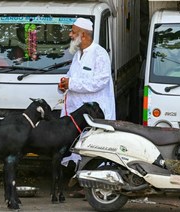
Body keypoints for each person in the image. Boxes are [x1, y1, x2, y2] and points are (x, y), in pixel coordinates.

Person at [58, 17, 116, 198]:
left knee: (94, 148)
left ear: (83, 35)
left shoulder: (99, 54)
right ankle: (81, 180)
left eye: (73, 32)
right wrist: (63, 85)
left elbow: (99, 81)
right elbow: (70, 77)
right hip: (77, 111)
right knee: (79, 147)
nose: (70, 34)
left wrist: (71, 83)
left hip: (94, 111)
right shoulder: (77, 54)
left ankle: (93, 186)